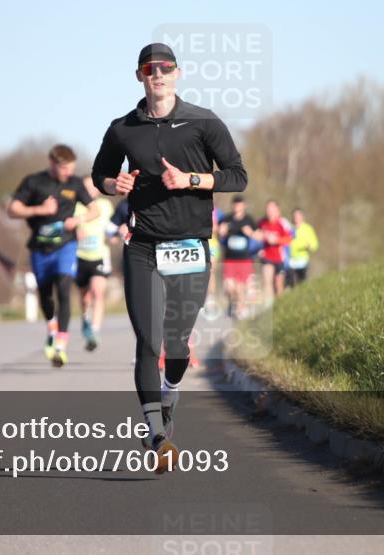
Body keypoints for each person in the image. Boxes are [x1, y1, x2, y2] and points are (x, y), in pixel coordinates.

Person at [91, 42, 247, 472]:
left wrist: (192, 179)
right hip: (142, 246)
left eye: (164, 68)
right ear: (139, 75)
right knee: (148, 340)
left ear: (177, 73)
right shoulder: (123, 128)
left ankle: (170, 392)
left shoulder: (203, 122)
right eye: (148, 68)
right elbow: (99, 173)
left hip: (190, 245)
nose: (157, 74)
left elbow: (237, 175)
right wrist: (113, 185)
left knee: (176, 343)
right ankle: (156, 436)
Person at [7, 144, 99, 368]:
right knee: (46, 295)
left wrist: (77, 221)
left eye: (71, 168)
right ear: (52, 164)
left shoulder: (75, 184)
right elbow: (12, 209)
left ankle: (61, 344)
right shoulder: (34, 182)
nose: (68, 172)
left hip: (66, 245)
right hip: (40, 248)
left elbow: (94, 210)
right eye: (64, 168)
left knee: (64, 287)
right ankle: (51, 326)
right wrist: (39, 210)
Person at [74, 175, 115, 351]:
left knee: (98, 292)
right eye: (86, 187)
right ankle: (85, 318)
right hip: (79, 256)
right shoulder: (75, 207)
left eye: (93, 186)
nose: (91, 190)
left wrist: (113, 236)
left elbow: (112, 228)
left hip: (100, 255)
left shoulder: (106, 206)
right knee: (85, 296)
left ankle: (94, 332)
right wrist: (75, 232)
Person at [219, 196, 256, 320]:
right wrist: (221, 231)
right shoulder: (226, 219)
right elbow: (219, 233)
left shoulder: (249, 220)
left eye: (239, 205)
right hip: (229, 259)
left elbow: (258, 236)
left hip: (244, 259)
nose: (237, 207)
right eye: (235, 205)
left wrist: (250, 233)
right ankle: (232, 304)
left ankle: (241, 309)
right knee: (229, 287)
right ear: (232, 206)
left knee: (240, 286)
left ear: (244, 206)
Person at [255, 200, 293, 304]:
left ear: (277, 210)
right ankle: (268, 306)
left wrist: (276, 240)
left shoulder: (283, 223)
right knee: (267, 282)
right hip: (266, 257)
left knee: (278, 285)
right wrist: (260, 240)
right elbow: (255, 236)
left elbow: (289, 239)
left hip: (280, 258)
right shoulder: (262, 222)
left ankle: (279, 306)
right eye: (267, 209)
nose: (269, 211)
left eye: (272, 209)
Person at [287, 207, 319, 287]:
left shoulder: (308, 229)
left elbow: (315, 244)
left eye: (298, 216)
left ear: (302, 217)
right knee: (291, 282)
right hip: (290, 259)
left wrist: (309, 246)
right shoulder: (289, 228)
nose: (296, 218)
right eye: (295, 216)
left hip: (303, 259)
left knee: (302, 281)